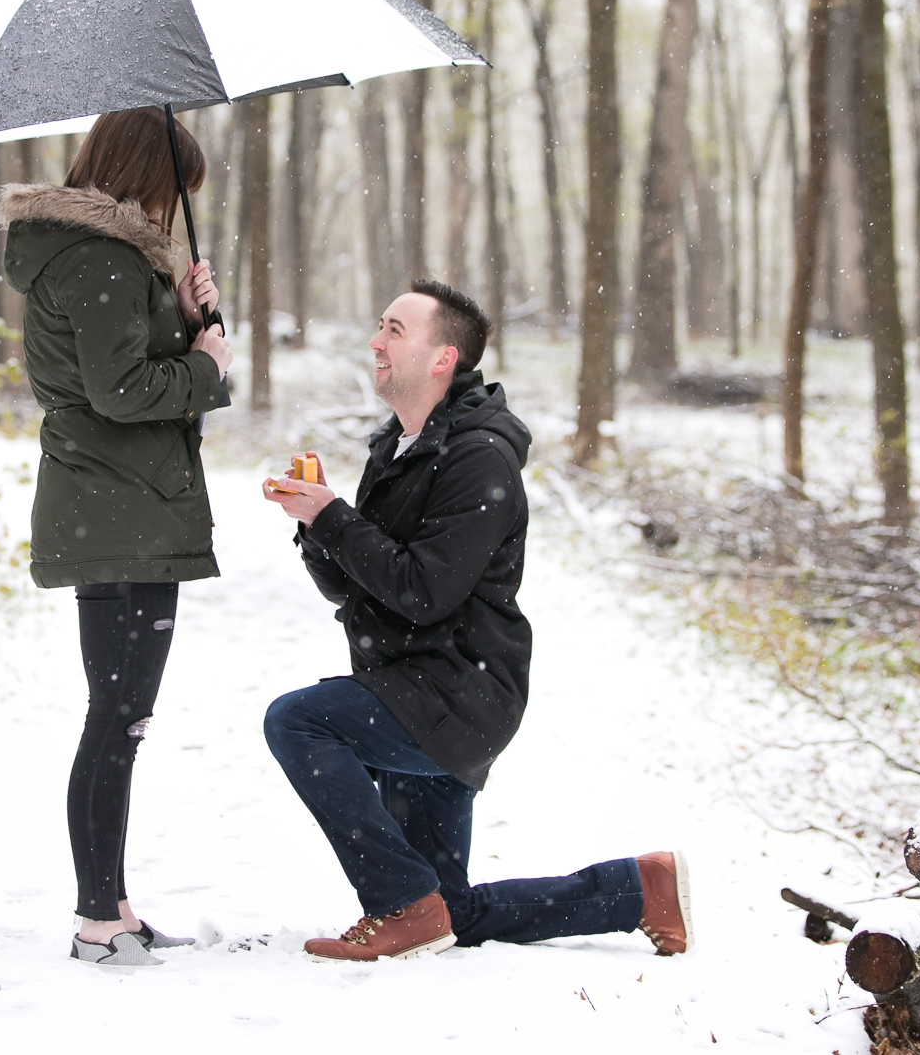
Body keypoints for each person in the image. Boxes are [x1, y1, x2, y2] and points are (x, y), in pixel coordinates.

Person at [259, 281, 691, 961]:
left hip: (457, 693)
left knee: (297, 719)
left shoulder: (478, 456)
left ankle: (400, 903)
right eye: (380, 326)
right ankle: (639, 889)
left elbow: (424, 589)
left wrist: (333, 516)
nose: (375, 341)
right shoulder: (398, 448)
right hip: (411, 683)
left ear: (442, 358)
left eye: (394, 330)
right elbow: (354, 588)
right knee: (451, 911)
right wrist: (315, 526)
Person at [0, 108, 234, 968]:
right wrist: (204, 364)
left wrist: (174, 309)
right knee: (116, 717)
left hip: (122, 505)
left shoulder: (99, 258)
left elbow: (116, 362)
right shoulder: (98, 259)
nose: (176, 211)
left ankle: (115, 906)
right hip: (118, 509)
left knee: (123, 715)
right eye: (175, 192)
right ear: (146, 179)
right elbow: (124, 389)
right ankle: (98, 919)